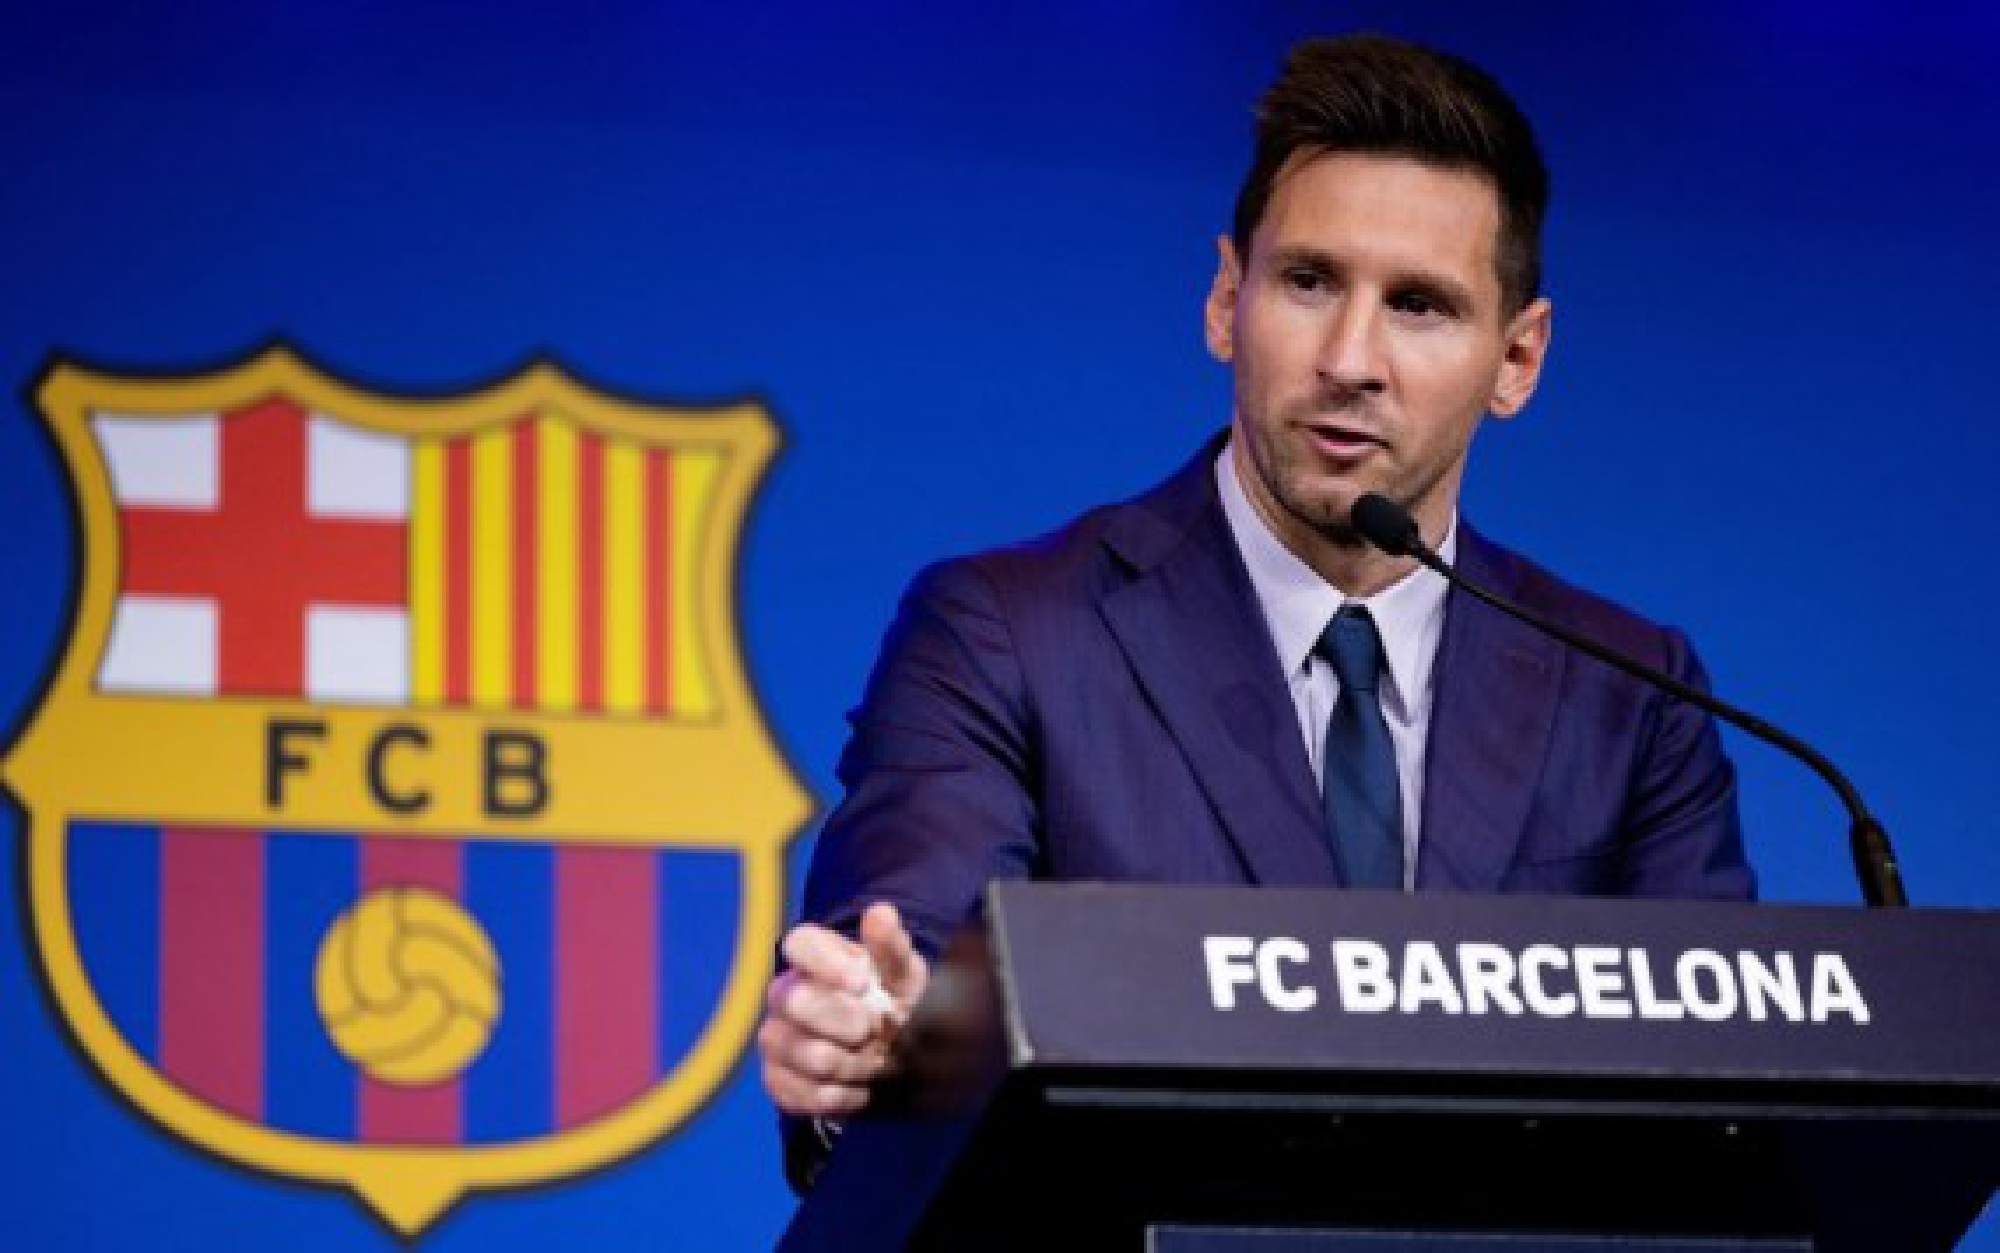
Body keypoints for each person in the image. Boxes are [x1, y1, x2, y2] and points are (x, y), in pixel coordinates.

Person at [758, 32, 1756, 1190]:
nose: (1349, 357)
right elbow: (905, 971)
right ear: (1227, 299)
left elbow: (1714, 1114)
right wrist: (886, 1060)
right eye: (1308, 281)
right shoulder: (1006, 634)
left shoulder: (1629, 695)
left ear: (1516, 358)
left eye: (1420, 305)